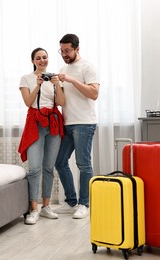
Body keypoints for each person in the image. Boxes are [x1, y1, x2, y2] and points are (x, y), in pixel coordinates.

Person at [54, 34, 100, 219]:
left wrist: (72, 80)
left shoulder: (88, 67)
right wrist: (56, 85)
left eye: (67, 51)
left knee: (83, 164)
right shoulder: (63, 68)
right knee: (60, 161)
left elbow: (94, 93)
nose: (64, 54)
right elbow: (62, 99)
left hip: (84, 122)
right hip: (67, 123)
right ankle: (72, 202)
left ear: (77, 49)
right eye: (62, 51)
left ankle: (84, 204)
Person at [18, 47, 65, 225]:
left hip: (52, 121)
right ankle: (33, 209)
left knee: (48, 167)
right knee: (35, 168)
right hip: (35, 124)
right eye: (38, 58)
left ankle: (46, 206)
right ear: (33, 61)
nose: (42, 60)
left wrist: (56, 85)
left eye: (45, 57)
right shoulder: (26, 79)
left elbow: (61, 102)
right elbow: (28, 102)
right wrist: (38, 84)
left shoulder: (54, 78)